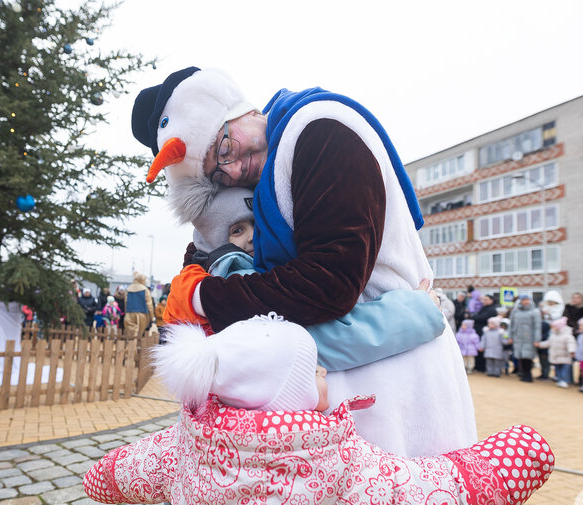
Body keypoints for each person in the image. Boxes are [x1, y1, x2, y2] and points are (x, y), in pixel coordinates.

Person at [131, 67, 477, 461]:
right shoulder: (267, 171)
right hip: (351, 374)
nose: (232, 170)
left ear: (239, 111)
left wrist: (203, 296)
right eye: (217, 175)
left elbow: (329, 282)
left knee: (409, 488)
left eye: (224, 150)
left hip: (394, 370)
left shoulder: (318, 130)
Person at [83, 315, 554, 505]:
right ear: (287, 397)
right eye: (312, 371)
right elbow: (427, 495)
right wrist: (518, 456)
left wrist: (99, 478)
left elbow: (125, 470)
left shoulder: (188, 444)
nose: (324, 372)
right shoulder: (336, 465)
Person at [189, 186, 446, 372]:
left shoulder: (248, 273)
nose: (251, 237)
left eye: (256, 225)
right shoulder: (237, 278)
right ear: (214, 242)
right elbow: (319, 342)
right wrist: (416, 313)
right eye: (237, 230)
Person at [509, 294, 542, 383]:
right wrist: (510, 336)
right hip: (518, 337)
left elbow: (537, 327)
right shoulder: (515, 311)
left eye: (527, 300)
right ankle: (523, 373)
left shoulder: (534, 312)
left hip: (529, 338)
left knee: (528, 357)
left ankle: (528, 375)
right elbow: (511, 325)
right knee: (520, 356)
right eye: (524, 300)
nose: (525, 302)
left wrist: (537, 339)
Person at [539, 317, 576, 388]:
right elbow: (548, 343)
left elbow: (571, 344)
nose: (553, 328)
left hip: (565, 357)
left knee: (565, 370)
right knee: (557, 369)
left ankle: (565, 380)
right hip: (556, 357)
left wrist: (572, 351)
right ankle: (560, 380)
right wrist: (540, 344)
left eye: (554, 326)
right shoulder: (553, 335)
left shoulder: (568, 336)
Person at [472, 293, 498, 372]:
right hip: (479, 331)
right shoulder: (484, 307)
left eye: (486, 300)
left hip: (485, 333)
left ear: (491, 300)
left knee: (483, 350)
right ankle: (478, 366)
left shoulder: (492, 309)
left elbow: (481, 318)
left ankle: (482, 367)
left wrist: (474, 317)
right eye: (483, 299)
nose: (484, 301)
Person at [123, 273, 154, 338]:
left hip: (129, 313)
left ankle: (131, 343)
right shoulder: (145, 290)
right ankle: (137, 343)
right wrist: (152, 316)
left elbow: (126, 302)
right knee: (139, 334)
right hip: (142, 314)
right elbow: (149, 305)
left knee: (131, 334)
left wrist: (126, 312)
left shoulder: (128, 289)